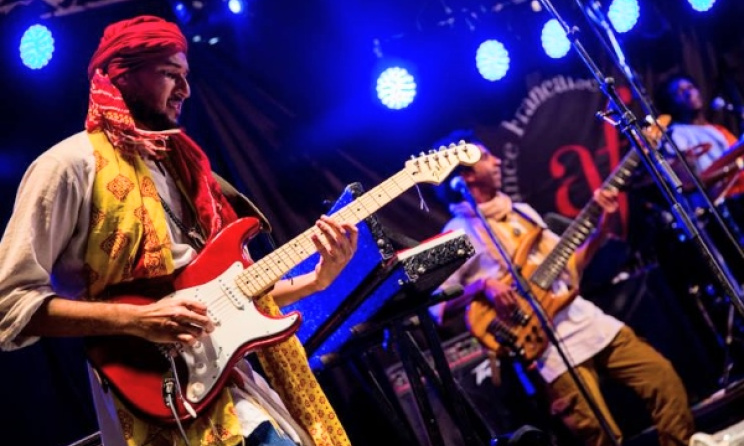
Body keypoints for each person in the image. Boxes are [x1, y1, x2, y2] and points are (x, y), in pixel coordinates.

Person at [0, 15, 359, 446]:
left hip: (231, 384)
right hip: (155, 391)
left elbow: (225, 296)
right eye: (171, 75)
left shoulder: (184, 170)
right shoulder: (68, 166)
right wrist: (139, 319)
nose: (185, 90)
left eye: (186, 76)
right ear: (123, 76)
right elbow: (10, 305)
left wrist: (317, 279)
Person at [430, 133, 695, 446]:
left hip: (584, 318)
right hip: (545, 348)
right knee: (599, 434)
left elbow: (570, 265)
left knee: (662, 378)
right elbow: (436, 306)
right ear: (468, 176)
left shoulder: (523, 211)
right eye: (487, 157)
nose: (498, 160)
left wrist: (600, 228)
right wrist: (481, 286)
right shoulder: (455, 234)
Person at [654, 74, 739, 176]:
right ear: (670, 104)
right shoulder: (675, 134)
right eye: (679, 92)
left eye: (690, 87)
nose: (688, 93)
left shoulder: (718, 129)